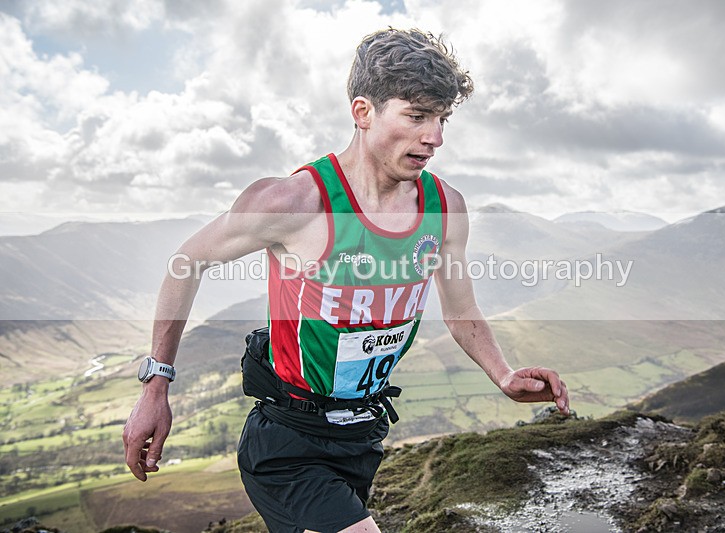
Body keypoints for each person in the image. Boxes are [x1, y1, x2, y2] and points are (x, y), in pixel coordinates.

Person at [123, 28, 570, 533]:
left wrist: (504, 375)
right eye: (417, 116)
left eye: (442, 119)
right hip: (288, 442)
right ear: (363, 112)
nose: (435, 137)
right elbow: (186, 262)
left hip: (364, 436)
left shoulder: (445, 208)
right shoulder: (294, 203)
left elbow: (461, 311)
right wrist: (155, 384)